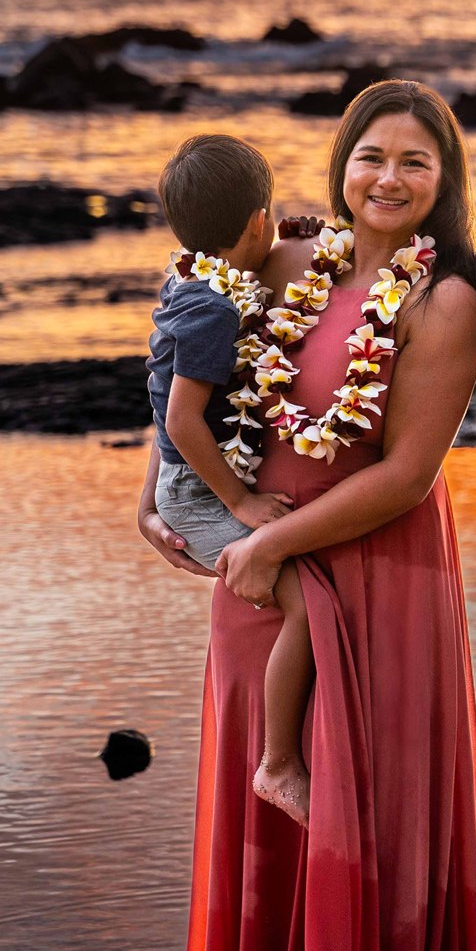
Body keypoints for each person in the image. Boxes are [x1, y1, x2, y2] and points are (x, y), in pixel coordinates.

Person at [139, 82, 476, 951]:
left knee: (366, 811)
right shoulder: (289, 263)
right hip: (260, 572)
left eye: (415, 161)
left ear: (445, 181)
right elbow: (185, 363)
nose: (388, 178)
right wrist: (157, 488)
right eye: (370, 157)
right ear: (339, 164)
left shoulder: (442, 299)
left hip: (374, 568)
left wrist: (270, 540)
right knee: (269, 816)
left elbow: (405, 473)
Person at [146, 132, 313, 826]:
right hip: (196, 490)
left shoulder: (187, 280)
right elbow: (184, 420)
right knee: (305, 600)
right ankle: (278, 763)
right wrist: (238, 501)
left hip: (184, 483)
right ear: (256, 224)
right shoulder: (215, 309)